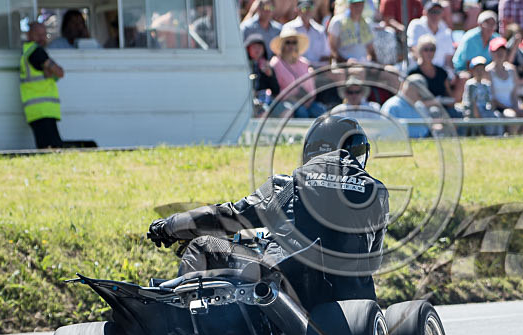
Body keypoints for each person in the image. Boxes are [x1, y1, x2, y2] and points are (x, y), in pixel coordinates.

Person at [147, 115, 389, 302]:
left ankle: (180, 333)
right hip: (349, 302)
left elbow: (229, 216)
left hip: (283, 283)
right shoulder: (376, 192)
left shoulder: (287, 185)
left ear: (312, 149)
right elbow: (373, 262)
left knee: (203, 245)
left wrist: (170, 226)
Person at [20, 22, 66, 148]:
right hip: (43, 110)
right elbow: (60, 72)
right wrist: (51, 70)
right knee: (53, 147)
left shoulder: (27, 51)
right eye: (38, 35)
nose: (42, 38)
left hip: (36, 111)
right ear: (29, 35)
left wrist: (49, 71)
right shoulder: (36, 51)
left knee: (45, 148)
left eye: (44, 35)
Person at [269, 28, 327, 118]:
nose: (291, 45)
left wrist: (307, 100)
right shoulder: (276, 63)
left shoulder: (304, 63)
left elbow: (311, 88)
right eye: (288, 42)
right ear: (282, 45)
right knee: (302, 112)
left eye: (294, 42)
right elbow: (276, 89)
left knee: (321, 112)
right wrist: (295, 99)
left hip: (307, 100)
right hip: (286, 101)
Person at [407, 35, 458, 116]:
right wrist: (434, 102)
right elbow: (410, 100)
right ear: (419, 51)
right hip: (422, 113)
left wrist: (446, 101)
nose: (429, 53)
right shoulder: (412, 73)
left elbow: (449, 95)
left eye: (432, 49)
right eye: (426, 49)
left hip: (444, 111)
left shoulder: (442, 72)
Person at [487, 37, 523, 128]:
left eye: (502, 50)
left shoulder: (512, 69)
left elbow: (514, 94)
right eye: (497, 51)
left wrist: (516, 108)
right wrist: (509, 108)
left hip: (513, 107)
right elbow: (492, 99)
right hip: (498, 109)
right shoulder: (487, 71)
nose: (500, 53)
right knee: (511, 117)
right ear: (491, 52)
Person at [462, 56, 503, 135]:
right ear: (472, 71)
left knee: (496, 116)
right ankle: (487, 135)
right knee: (484, 118)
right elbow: (471, 102)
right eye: (477, 70)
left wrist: (491, 110)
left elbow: (490, 101)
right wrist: (477, 114)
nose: (479, 72)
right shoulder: (470, 84)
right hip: (473, 111)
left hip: (485, 109)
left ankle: (498, 136)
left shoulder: (486, 84)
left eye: (481, 69)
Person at [285, 0, 332, 68]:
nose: (308, 11)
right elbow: (285, 53)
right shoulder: (289, 28)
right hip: (296, 69)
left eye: (310, 8)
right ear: (297, 10)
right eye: (304, 8)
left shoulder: (320, 30)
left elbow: (326, 55)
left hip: (318, 70)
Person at [407, 1, 454, 69]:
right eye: (432, 11)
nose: (435, 15)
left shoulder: (447, 32)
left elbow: (448, 59)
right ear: (425, 12)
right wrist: (425, 68)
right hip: (418, 69)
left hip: (441, 72)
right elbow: (413, 48)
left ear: (442, 14)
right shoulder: (416, 25)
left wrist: (449, 73)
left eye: (438, 12)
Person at [245, 33, 281, 116]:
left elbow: (276, 91)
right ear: (248, 49)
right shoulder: (243, 66)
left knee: (286, 111)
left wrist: (270, 76)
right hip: (248, 101)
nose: (257, 50)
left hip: (266, 101)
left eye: (259, 47)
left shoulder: (267, 66)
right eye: (254, 47)